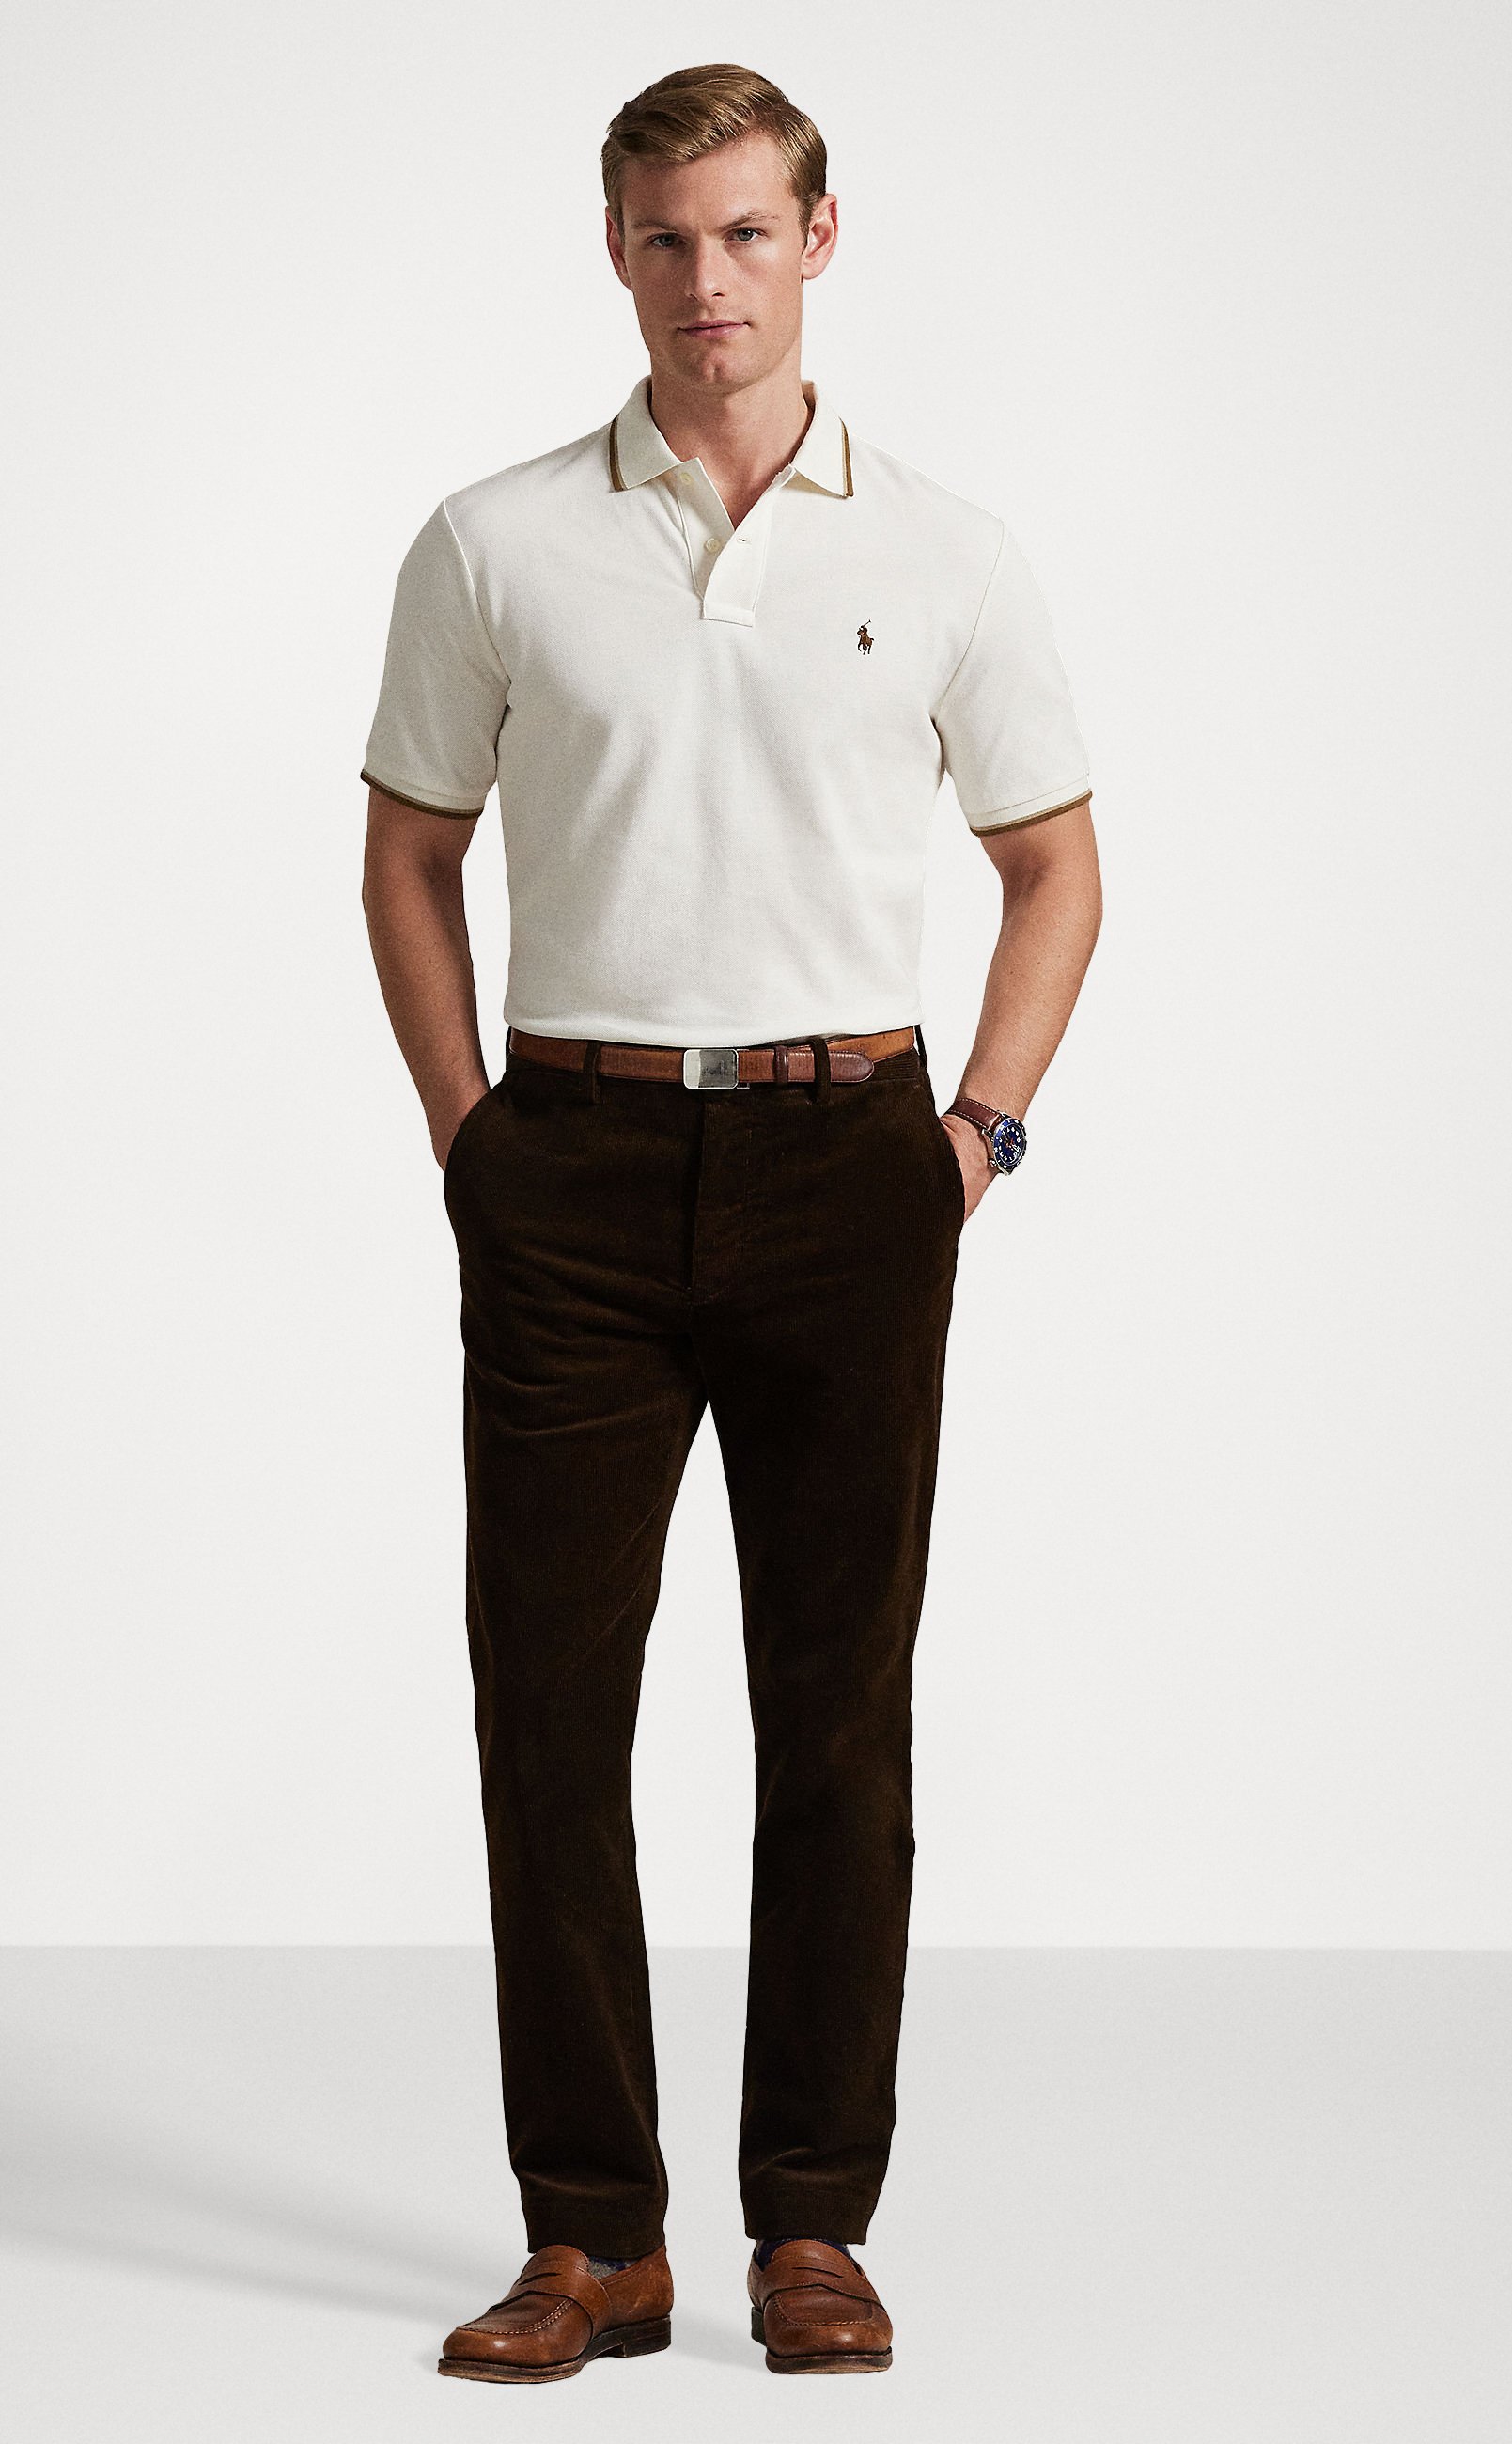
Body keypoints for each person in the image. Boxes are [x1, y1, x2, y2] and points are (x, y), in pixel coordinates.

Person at [358, 60, 1101, 2384]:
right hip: (569, 1172)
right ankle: (593, 2235)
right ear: (616, 252)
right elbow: (407, 851)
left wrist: (972, 1136)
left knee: (838, 1717)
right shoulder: (492, 540)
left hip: (846, 1159)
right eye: (667, 239)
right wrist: (474, 1142)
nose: (709, 282)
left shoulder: (947, 550)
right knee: (547, 1709)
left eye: (747, 233)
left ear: (818, 238)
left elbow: (1054, 864)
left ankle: (809, 2225)